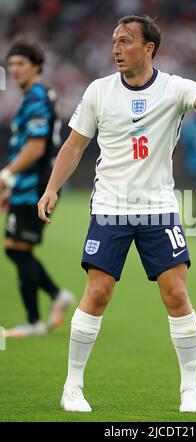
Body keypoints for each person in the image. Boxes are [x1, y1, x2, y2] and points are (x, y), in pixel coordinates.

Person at [37, 15, 196, 413]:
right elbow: (74, 146)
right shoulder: (99, 92)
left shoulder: (175, 88)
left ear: (148, 47)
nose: (116, 49)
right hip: (110, 207)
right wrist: (52, 187)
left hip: (160, 208)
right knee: (99, 292)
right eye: (114, 41)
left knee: (176, 294)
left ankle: (189, 389)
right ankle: (72, 386)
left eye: (125, 42)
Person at [0, 38, 75, 337]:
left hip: (35, 187)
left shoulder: (36, 98)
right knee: (16, 249)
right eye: (12, 64)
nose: (15, 70)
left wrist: (7, 175)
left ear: (37, 67)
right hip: (27, 186)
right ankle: (54, 298)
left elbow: (35, 147)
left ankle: (34, 320)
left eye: (21, 64)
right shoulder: (37, 95)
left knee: (18, 248)